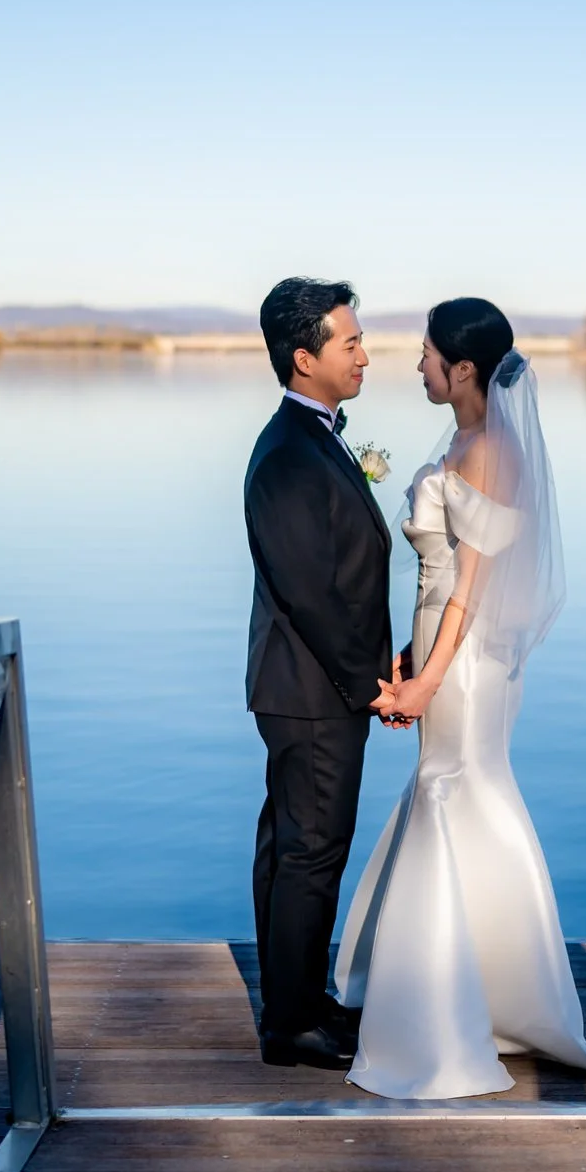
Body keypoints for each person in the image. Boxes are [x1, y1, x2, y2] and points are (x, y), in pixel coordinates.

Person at [332, 297, 586, 1098]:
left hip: (467, 661)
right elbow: (439, 576)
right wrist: (410, 655)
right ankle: (482, 985)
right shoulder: (461, 438)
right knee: (455, 789)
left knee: (459, 786)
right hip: (440, 647)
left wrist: (428, 676)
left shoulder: (492, 448)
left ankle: (446, 1009)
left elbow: (472, 588)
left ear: (462, 367)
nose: (416, 366)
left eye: (426, 355)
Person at [242, 277, 403, 1069]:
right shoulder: (287, 457)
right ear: (305, 358)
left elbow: (343, 578)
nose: (365, 354)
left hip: (312, 685)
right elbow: (310, 593)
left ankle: (299, 1000)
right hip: (311, 690)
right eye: (351, 342)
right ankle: (292, 1025)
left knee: (295, 846)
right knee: (311, 850)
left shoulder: (317, 437)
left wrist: (387, 660)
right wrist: (371, 684)